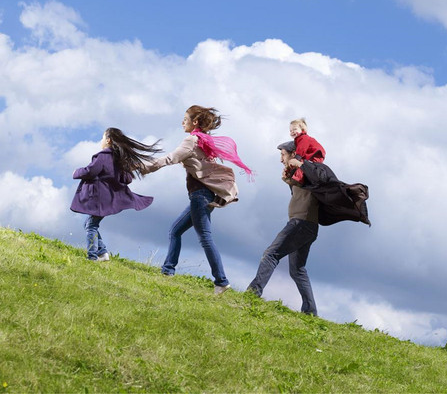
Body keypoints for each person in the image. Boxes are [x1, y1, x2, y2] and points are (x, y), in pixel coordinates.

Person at [142, 105, 253, 294]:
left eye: (185, 118)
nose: (182, 122)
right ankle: (168, 270)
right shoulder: (203, 140)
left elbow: (171, 158)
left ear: (194, 122)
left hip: (200, 196)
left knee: (205, 237)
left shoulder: (192, 140)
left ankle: (221, 281)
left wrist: (144, 167)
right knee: (175, 231)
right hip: (203, 195)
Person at [247, 140, 320, 315]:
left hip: (300, 224)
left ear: (293, 154)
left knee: (271, 254)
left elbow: (309, 181)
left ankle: (253, 293)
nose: (281, 159)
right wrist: (289, 180)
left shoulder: (307, 170)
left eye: (283, 154)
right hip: (308, 226)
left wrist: (296, 171)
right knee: (297, 270)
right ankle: (310, 312)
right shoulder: (299, 174)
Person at [71, 127, 161, 261]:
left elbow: (91, 171)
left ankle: (93, 256)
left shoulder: (103, 156)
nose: (101, 141)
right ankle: (102, 252)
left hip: (99, 200)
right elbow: (127, 179)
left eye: (102, 138)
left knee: (91, 226)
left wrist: (77, 172)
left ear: (108, 140)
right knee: (89, 224)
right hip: (110, 199)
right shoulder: (119, 160)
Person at [289, 118, 325, 185]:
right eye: (290, 130)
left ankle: (298, 179)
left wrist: (297, 158)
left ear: (302, 130)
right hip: (312, 154)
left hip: (316, 153)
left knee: (303, 164)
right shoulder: (298, 140)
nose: (292, 132)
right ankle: (300, 178)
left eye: (295, 129)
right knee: (303, 163)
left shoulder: (304, 138)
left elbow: (302, 148)